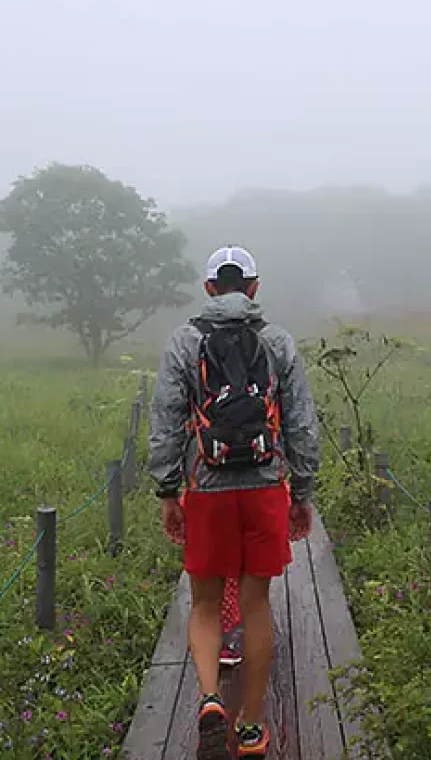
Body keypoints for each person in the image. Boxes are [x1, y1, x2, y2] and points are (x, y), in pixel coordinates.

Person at [149, 245, 320, 760]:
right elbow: (301, 423)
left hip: (206, 488)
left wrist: (168, 490)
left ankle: (209, 700)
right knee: (256, 605)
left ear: (208, 289)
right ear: (254, 287)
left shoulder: (184, 341)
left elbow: (166, 421)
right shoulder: (278, 341)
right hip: (264, 487)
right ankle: (249, 727)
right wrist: (302, 491)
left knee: (204, 604)